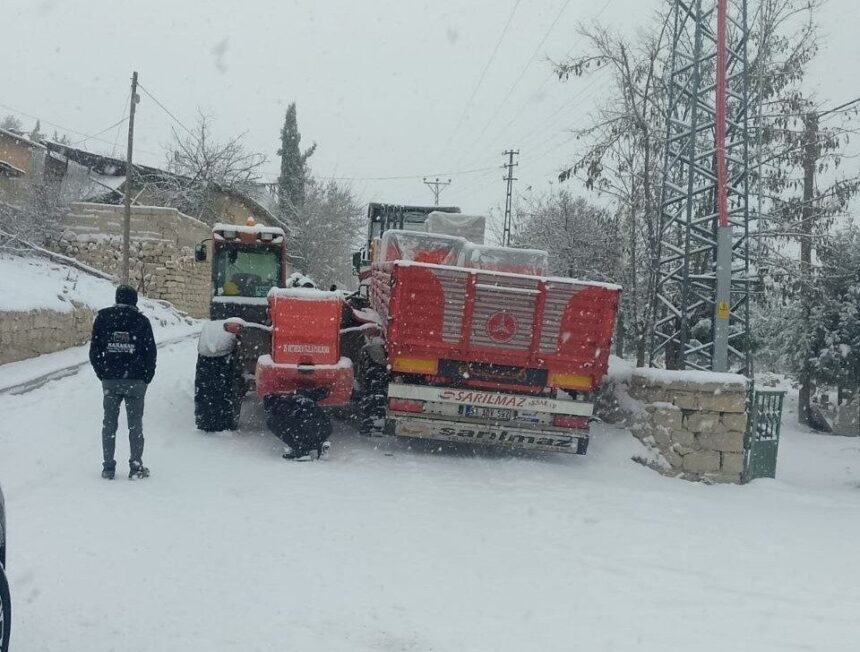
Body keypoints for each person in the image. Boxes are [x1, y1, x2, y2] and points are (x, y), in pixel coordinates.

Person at [89, 285, 157, 480]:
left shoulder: (103, 319)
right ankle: (136, 467)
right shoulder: (141, 321)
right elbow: (150, 352)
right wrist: (146, 377)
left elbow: (95, 351)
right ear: (134, 300)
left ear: (117, 298)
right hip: (135, 380)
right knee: (135, 426)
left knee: (109, 425)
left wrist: (103, 373)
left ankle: (108, 468)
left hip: (110, 380)